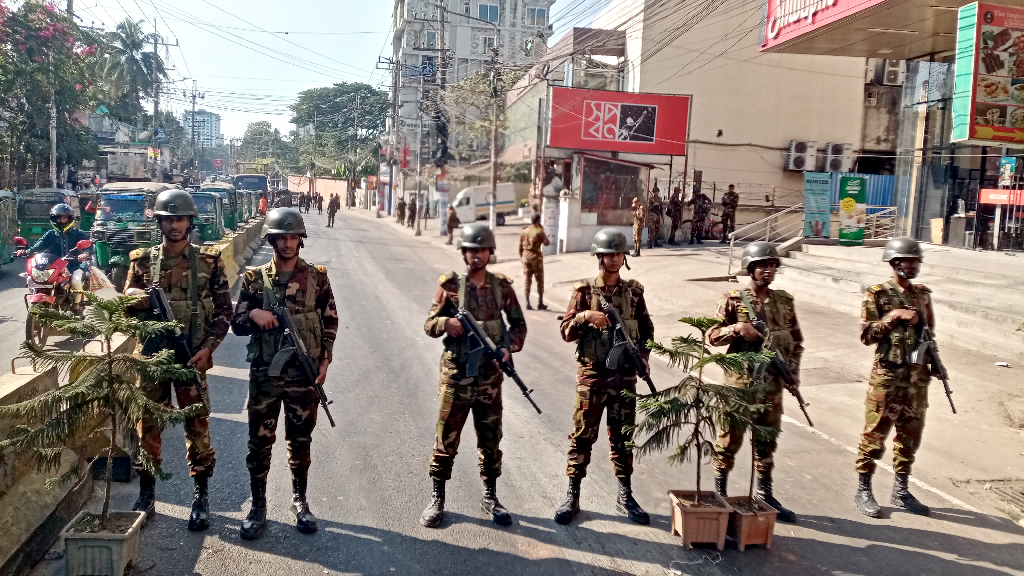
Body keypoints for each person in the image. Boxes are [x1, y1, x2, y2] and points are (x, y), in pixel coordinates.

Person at [122, 189, 232, 532]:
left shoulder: (209, 262)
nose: (174, 224)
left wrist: (208, 349)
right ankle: (147, 493)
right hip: (152, 358)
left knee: (197, 427)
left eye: (179, 218)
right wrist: (134, 297)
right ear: (159, 222)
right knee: (147, 426)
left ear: (190, 222)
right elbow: (124, 307)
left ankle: (201, 497)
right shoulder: (141, 261)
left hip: (190, 359)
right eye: (167, 219)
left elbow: (225, 312)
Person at [231, 208, 339, 539]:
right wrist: (255, 315)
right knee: (259, 442)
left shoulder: (317, 277)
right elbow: (236, 323)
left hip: (302, 378)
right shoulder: (253, 279)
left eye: (294, 237)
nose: (289, 243)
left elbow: (330, 321)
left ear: (300, 241)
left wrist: (325, 360)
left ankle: (300, 500)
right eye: (282, 237)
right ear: (273, 239)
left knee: (301, 440)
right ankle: (258, 506)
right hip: (265, 375)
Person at [420, 223, 527, 528]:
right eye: (471, 250)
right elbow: (429, 323)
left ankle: (490, 496)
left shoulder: (502, 287)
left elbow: (518, 327)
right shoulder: (450, 285)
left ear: (490, 252)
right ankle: (437, 498)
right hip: (456, 378)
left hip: (489, 381)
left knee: (491, 439)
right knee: (446, 439)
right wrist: (446, 325)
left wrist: (508, 349)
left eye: (482, 250)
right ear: (464, 253)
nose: (476, 255)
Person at [554, 228, 652, 526]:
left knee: (623, 439)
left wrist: (644, 358)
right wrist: (585, 317)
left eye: (618, 253)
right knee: (583, 437)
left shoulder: (634, 292)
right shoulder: (584, 292)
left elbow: (647, 330)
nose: (613, 258)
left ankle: (625, 494)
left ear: (625, 257)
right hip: (592, 379)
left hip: (624, 380)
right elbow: (566, 331)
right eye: (608, 253)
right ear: (599, 256)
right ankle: (572, 495)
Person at [707, 242, 802, 523]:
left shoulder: (784, 302)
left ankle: (764, 493)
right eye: (762, 265)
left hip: (772, 386)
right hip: (739, 384)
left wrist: (792, 374)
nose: (768, 270)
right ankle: (720, 496)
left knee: (767, 439)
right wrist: (736, 329)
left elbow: (796, 342)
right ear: (750, 268)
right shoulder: (733, 299)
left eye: (772, 265)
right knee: (728, 439)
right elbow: (712, 337)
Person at [854, 237, 934, 519]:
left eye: (916, 261)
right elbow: (866, 336)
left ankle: (901, 490)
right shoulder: (876, 294)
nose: (913, 265)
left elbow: (928, 334)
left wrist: (931, 363)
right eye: (908, 260)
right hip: (887, 378)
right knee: (875, 434)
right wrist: (894, 316)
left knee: (910, 436)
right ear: (894, 263)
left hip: (916, 379)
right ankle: (863, 489)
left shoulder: (923, 295)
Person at [16, 204, 91, 314]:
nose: (61, 220)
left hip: (73, 265)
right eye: (59, 218)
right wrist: (26, 251)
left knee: (76, 281)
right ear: (54, 219)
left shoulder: (78, 233)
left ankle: (76, 305)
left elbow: (88, 247)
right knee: (33, 279)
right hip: (54, 267)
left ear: (69, 219)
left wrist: (84, 254)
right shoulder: (50, 234)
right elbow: (38, 246)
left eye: (64, 217)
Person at [518, 213, 550, 310]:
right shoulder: (539, 232)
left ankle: (527, 303)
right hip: (536, 259)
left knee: (527, 280)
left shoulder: (524, 230)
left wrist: (522, 257)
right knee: (540, 280)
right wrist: (542, 230)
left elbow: (520, 246)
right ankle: (540, 303)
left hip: (525, 258)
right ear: (538, 221)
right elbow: (547, 243)